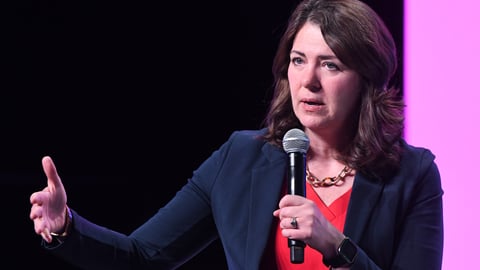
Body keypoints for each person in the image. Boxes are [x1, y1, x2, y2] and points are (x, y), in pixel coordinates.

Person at [29, 0, 444, 269]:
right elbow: (143, 259)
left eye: (331, 65)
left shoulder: (412, 174)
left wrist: (339, 247)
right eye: (299, 61)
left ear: (367, 79)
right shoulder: (240, 157)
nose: (309, 82)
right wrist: (66, 226)